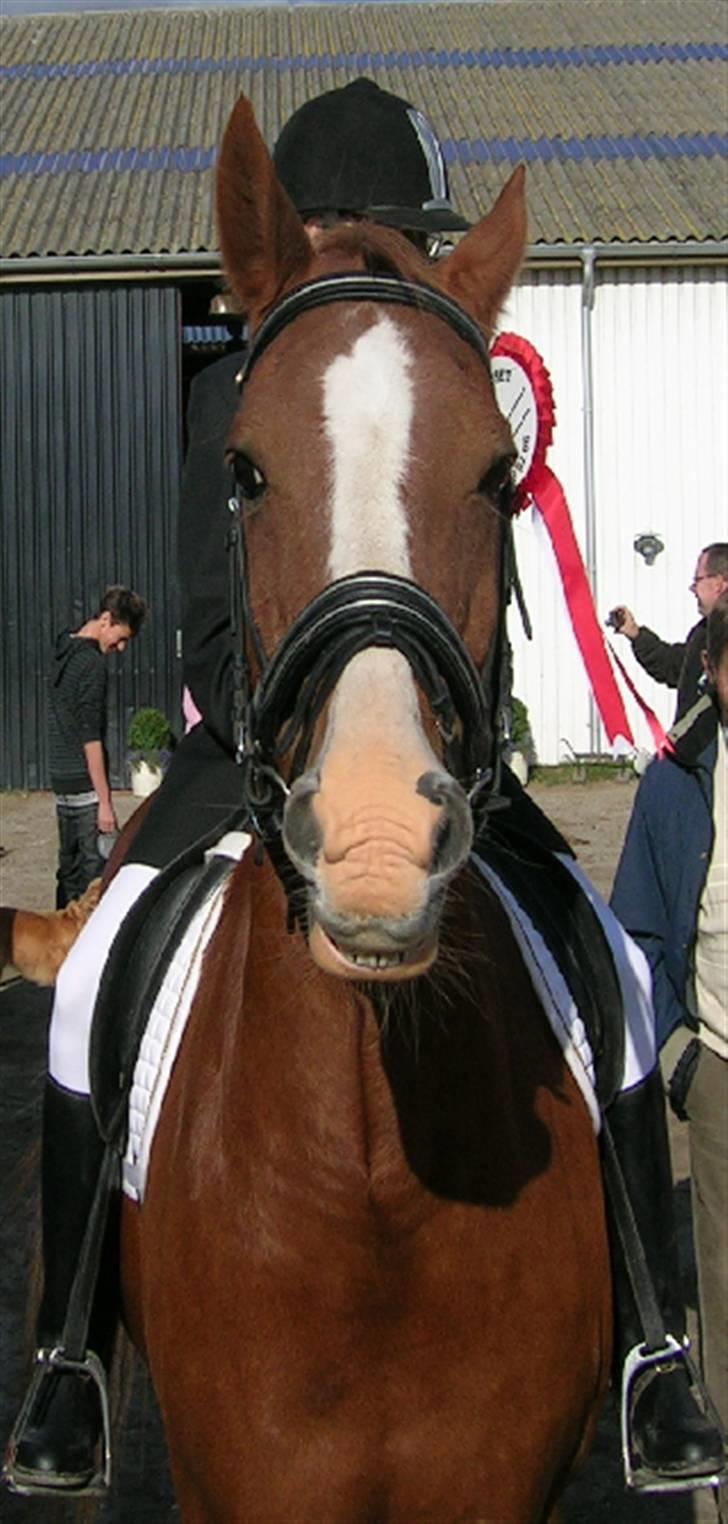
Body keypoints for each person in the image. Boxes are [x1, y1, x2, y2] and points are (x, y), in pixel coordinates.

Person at [5, 81, 724, 1499]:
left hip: (436, 743)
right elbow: (216, 617)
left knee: (620, 985)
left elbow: (484, 592)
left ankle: (655, 1347)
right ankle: (69, 1354)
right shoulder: (237, 382)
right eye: (382, 228)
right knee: (96, 988)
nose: (387, 255)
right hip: (256, 748)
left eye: (405, 238)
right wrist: (274, 725)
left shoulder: (451, 367)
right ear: (324, 228)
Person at [611, 590, 728, 1476]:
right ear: (717, 675)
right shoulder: (675, 780)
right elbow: (641, 931)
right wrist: (680, 1054)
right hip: (720, 1062)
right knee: (720, 1273)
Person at [49, 587, 147, 908]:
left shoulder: (63, 648)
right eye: (120, 638)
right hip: (83, 785)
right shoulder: (91, 665)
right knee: (93, 882)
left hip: (61, 779)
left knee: (68, 872)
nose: (119, 648)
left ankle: (58, 949)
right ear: (105, 619)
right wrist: (104, 802)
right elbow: (90, 737)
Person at [608, 541, 728, 721]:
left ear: (718, 583)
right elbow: (674, 666)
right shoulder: (705, 633)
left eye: (697, 580)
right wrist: (636, 634)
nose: (693, 589)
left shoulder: (717, 636)